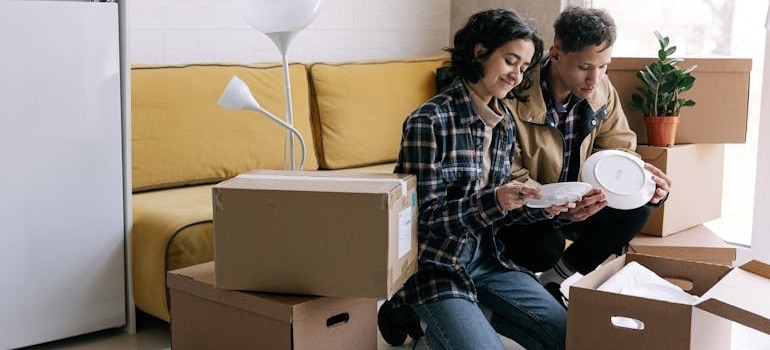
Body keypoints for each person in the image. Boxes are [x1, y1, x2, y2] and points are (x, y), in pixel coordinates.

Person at [380, 8, 571, 350]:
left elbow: (504, 211)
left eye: (524, 67)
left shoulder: (504, 124)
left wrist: (546, 207)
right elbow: (421, 219)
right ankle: (410, 309)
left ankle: (476, 313)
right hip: (435, 268)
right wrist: (494, 200)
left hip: (487, 259)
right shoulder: (429, 121)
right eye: (511, 60)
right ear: (480, 52)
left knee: (571, 333)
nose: (516, 75)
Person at [498, 6, 673, 306]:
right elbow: (509, 177)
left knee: (640, 206)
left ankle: (556, 278)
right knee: (545, 245)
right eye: (585, 67)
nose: (595, 78)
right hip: (531, 210)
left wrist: (641, 184)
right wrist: (559, 208)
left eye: (604, 66)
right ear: (555, 55)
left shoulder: (602, 89)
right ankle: (515, 288)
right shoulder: (515, 97)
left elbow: (619, 149)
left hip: (582, 202)